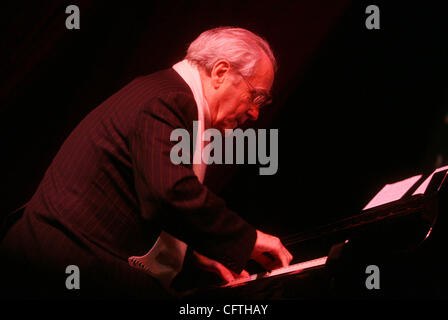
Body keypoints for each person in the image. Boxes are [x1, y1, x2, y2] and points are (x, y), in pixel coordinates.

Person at [0, 27, 292, 299]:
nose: (255, 114)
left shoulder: (165, 92)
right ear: (220, 72)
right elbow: (169, 193)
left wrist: (191, 255)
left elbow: (133, 197)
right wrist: (248, 239)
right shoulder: (169, 100)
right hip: (59, 262)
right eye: (256, 97)